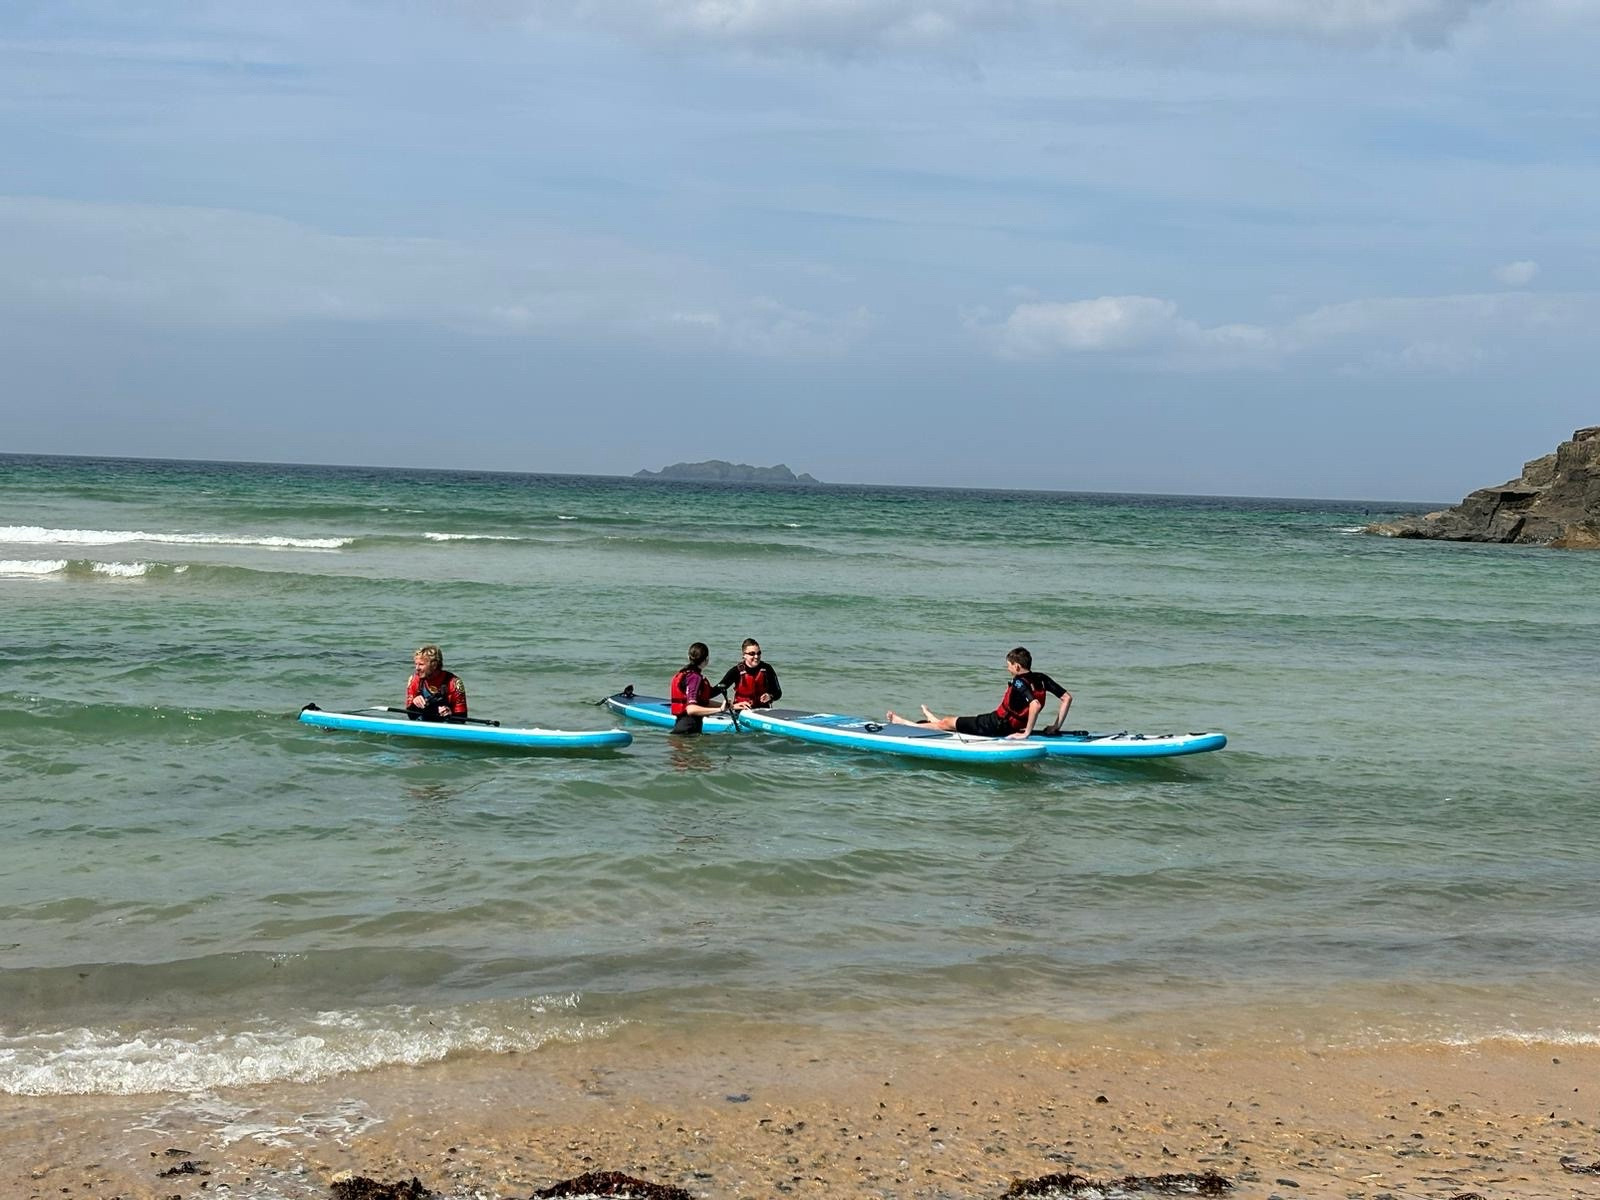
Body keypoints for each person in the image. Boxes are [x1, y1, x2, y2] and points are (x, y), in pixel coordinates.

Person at [887, 646, 1070, 740]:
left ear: (1017, 666)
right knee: (950, 723)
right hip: (1009, 725)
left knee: (946, 723)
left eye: (1008, 666)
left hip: (995, 725)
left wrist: (1026, 733)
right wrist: (1055, 727)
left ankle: (903, 723)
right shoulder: (1041, 678)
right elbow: (1066, 698)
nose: (1008, 669)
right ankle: (930, 718)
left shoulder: (1019, 682)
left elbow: (1034, 705)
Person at [669, 642, 728, 735]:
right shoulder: (694, 678)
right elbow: (691, 709)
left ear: (689, 657)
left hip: (681, 729)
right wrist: (720, 710)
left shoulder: (688, 674)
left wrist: (729, 706)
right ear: (706, 660)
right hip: (688, 732)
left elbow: (702, 702)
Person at [715, 638, 783, 710]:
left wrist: (770, 696)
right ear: (744, 655)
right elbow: (717, 690)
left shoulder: (767, 669)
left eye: (758, 653)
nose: (756, 656)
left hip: (763, 711)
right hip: (742, 711)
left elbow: (778, 693)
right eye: (752, 654)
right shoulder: (736, 671)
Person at [406, 644, 468, 722]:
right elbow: (410, 716)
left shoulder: (454, 683)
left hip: (446, 725)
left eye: (421, 664)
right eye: (416, 664)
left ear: (434, 665)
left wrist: (450, 714)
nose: (417, 668)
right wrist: (414, 704)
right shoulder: (414, 680)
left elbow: (462, 718)